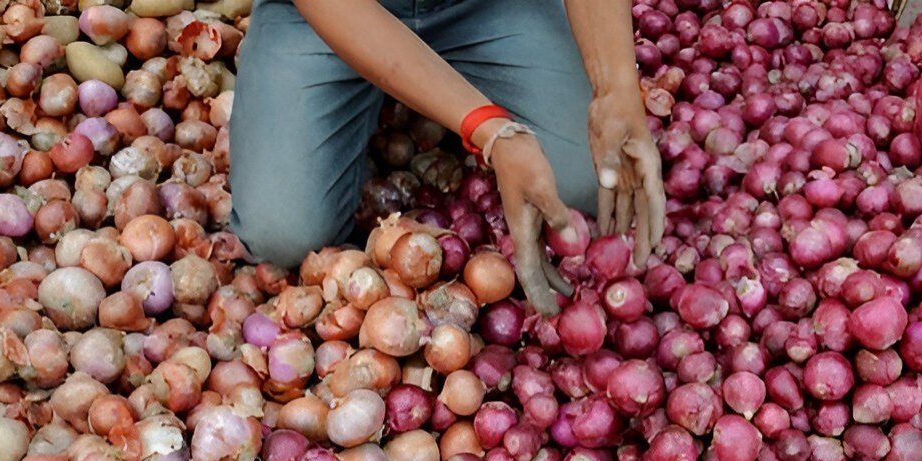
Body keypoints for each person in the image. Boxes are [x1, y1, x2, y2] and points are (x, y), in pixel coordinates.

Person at [228, 0, 665, 315]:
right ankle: (403, 92)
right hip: (328, 14)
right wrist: (491, 130)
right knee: (282, 233)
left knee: (591, 180)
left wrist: (617, 89)